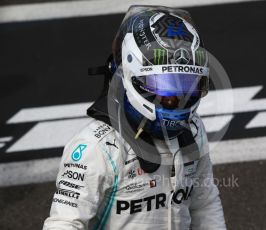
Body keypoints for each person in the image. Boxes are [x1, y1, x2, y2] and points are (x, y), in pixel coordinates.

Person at [43, 5, 226, 230]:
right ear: (129, 75)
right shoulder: (97, 147)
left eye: (186, 84)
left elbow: (204, 204)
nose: (176, 98)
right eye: (166, 87)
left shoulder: (194, 130)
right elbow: (64, 224)